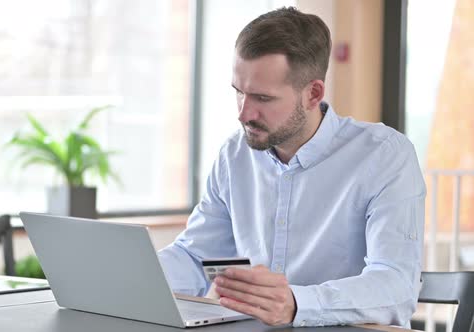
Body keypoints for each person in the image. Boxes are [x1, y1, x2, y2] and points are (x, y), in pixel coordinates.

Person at [157, 7, 426, 328]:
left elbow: (396, 284)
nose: (244, 113)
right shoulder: (234, 155)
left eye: (262, 98)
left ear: (313, 93)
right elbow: (194, 257)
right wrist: (126, 278)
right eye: (238, 92)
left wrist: (298, 303)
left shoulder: (384, 155)